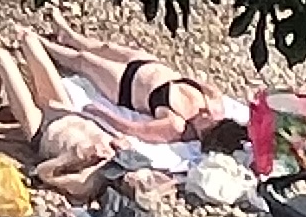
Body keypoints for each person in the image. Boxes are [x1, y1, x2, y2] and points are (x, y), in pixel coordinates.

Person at [20, 18, 245, 145]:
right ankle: (70, 36)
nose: (207, 116)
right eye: (214, 119)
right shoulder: (212, 102)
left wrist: (101, 113)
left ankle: (39, 43)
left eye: (208, 124)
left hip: (127, 86)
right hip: (151, 65)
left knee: (84, 60)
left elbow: (135, 129)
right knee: (103, 48)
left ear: (204, 135)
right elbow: (204, 85)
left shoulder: (176, 125)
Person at [0, 35, 130, 203]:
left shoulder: (86, 182)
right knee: (30, 41)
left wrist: (70, 158)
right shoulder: (123, 159)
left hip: (42, 129)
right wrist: (117, 141)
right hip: (68, 112)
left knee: (0, 58)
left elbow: (43, 173)